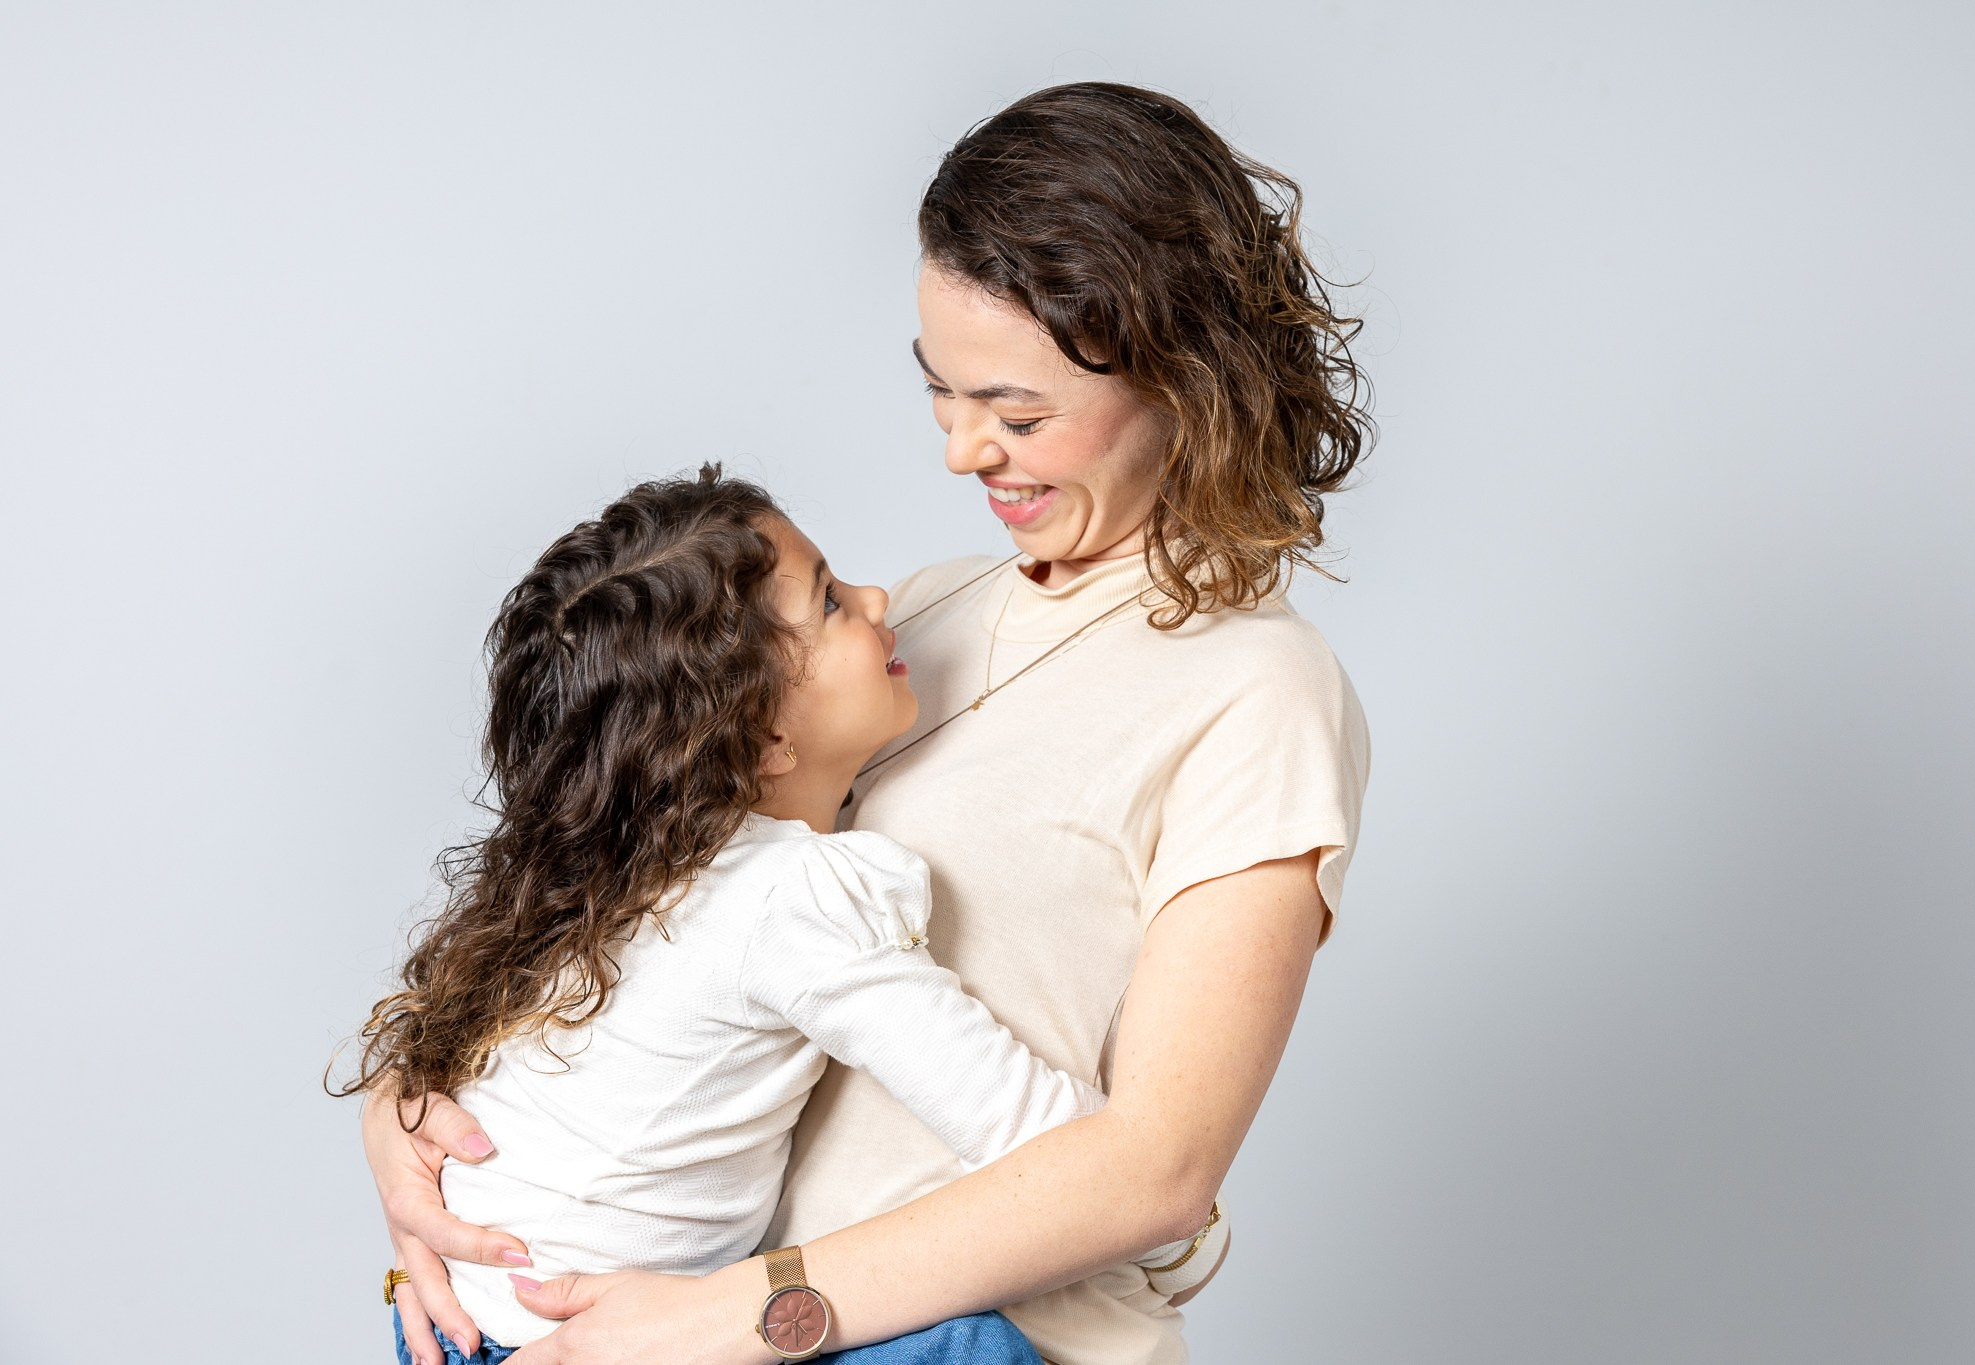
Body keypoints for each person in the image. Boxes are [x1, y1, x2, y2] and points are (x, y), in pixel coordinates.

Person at [364, 81, 1372, 1365]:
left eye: (1016, 415)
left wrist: (740, 1314)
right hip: (682, 1336)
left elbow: (1158, 1173)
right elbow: (623, 890)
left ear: (1184, 372)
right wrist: (413, 1122)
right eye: (940, 394)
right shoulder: (915, 628)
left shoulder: (1257, 691)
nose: (962, 453)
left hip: (952, 1341)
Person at [337, 470, 1215, 1364]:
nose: (878, 599)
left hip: (456, 1325)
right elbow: (1013, 1117)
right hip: (587, 1342)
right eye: (831, 601)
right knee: (973, 1346)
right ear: (764, 741)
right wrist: (1183, 1238)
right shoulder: (789, 902)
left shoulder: (618, 868)